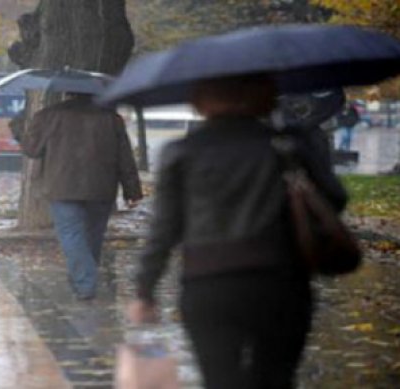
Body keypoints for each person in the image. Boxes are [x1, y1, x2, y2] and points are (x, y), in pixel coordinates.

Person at [127, 75, 347, 388]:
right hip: (281, 281)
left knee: (220, 379)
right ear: (265, 96)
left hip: (209, 284)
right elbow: (335, 199)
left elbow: (164, 229)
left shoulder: (182, 151)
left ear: (202, 99)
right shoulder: (289, 144)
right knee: (275, 378)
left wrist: (144, 290)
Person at [19, 93, 143, 300]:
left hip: (62, 186)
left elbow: (32, 150)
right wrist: (132, 190)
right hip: (101, 186)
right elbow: (125, 157)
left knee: (71, 234)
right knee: (92, 236)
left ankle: (85, 282)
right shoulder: (111, 118)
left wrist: (18, 127)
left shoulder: (49, 115)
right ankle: (83, 278)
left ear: (67, 93)